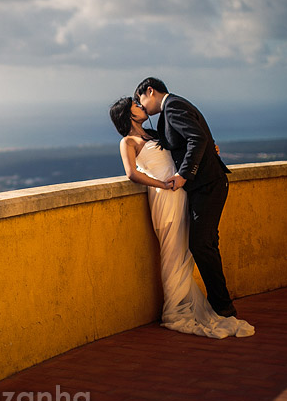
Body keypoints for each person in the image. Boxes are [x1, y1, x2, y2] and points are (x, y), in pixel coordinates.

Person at [109, 96, 254, 339]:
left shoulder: (155, 135)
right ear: (127, 114)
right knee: (171, 250)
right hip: (165, 197)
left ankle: (185, 303)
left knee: (186, 249)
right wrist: (161, 185)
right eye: (136, 105)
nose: (141, 106)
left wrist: (210, 151)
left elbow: (185, 148)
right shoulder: (127, 142)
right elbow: (132, 174)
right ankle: (175, 310)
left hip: (181, 193)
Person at [133, 77, 240, 318]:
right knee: (206, 243)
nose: (143, 108)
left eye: (141, 100)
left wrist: (183, 175)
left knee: (201, 244)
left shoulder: (173, 106)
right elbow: (192, 140)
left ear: (150, 91)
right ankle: (223, 304)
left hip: (208, 185)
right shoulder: (170, 111)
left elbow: (197, 138)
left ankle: (222, 305)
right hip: (204, 186)